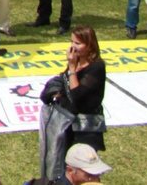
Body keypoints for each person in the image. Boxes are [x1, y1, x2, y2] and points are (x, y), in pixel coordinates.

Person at [40, 25, 106, 175]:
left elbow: (76, 95)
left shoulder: (96, 67)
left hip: (86, 127)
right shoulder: (77, 61)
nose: (72, 47)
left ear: (90, 45)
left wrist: (71, 68)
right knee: (64, 165)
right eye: (72, 42)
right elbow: (65, 84)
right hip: (68, 123)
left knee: (82, 169)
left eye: (78, 43)